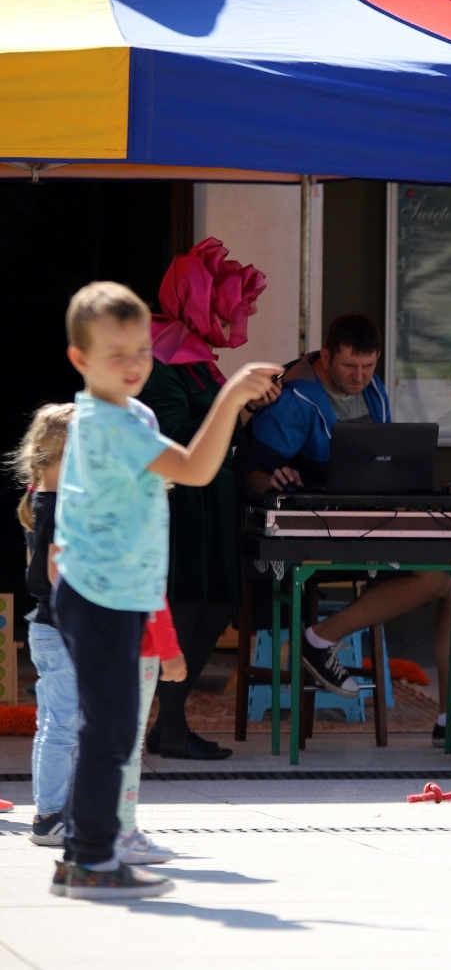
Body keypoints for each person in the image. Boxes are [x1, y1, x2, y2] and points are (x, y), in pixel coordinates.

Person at [49, 280, 277, 899]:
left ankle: (83, 855)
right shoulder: (112, 426)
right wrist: (230, 395)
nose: (133, 365)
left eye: (142, 352)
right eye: (115, 354)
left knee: (114, 728)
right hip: (101, 598)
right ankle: (92, 858)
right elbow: (198, 469)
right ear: (80, 360)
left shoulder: (119, 418)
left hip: (109, 594)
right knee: (112, 730)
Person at [241, 313, 451, 746]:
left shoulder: (374, 388)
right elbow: (249, 466)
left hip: (372, 519)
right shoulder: (296, 396)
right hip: (317, 531)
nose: (359, 377)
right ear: (325, 356)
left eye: (368, 368)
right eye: (349, 367)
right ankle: (319, 639)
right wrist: (271, 481)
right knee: (439, 576)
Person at [140, 237, 277, 761]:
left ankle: (169, 723)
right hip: (182, 504)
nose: (235, 313)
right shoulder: (161, 357)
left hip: (214, 502)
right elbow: (172, 434)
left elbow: (224, 430)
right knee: (186, 608)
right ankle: (167, 727)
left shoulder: (200, 360)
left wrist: (248, 408)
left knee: (218, 606)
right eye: (223, 301)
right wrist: (235, 408)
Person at [9, 404, 74, 845]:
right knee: (64, 725)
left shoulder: (39, 498)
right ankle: (50, 816)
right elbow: (52, 574)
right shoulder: (57, 506)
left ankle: (52, 810)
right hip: (63, 627)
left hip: (47, 627)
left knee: (55, 721)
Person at [114, 606, 184, 865]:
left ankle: (93, 833)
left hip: (93, 642)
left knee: (95, 741)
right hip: (138, 647)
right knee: (128, 745)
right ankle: (124, 832)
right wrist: (170, 650)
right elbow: (153, 591)